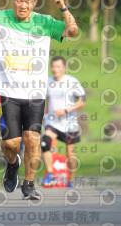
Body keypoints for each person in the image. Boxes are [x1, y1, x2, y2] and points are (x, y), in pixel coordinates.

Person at [0, 0, 78, 200]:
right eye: (18, 1)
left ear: (34, 2)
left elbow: (72, 31)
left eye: (27, 1)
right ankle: (12, 165)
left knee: (33, 138)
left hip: (35, 94)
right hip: (8, 93)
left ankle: (29, 183)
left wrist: (63, 6)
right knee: (10, 143)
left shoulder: (45, 22)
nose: (22, 5)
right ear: (12, 0)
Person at [41, 56, 86, 188]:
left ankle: (71, 180)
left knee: (70, 155)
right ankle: (50, 174)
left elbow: (82, 101)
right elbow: (47, 100)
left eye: (58, 67)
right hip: (53, 123)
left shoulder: (72, 82)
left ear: (64, 68)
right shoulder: (48, 81)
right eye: (53, 67)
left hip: (69, 124)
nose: (55, 69)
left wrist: (66, 110)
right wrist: (45, 115)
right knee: (44, 143)